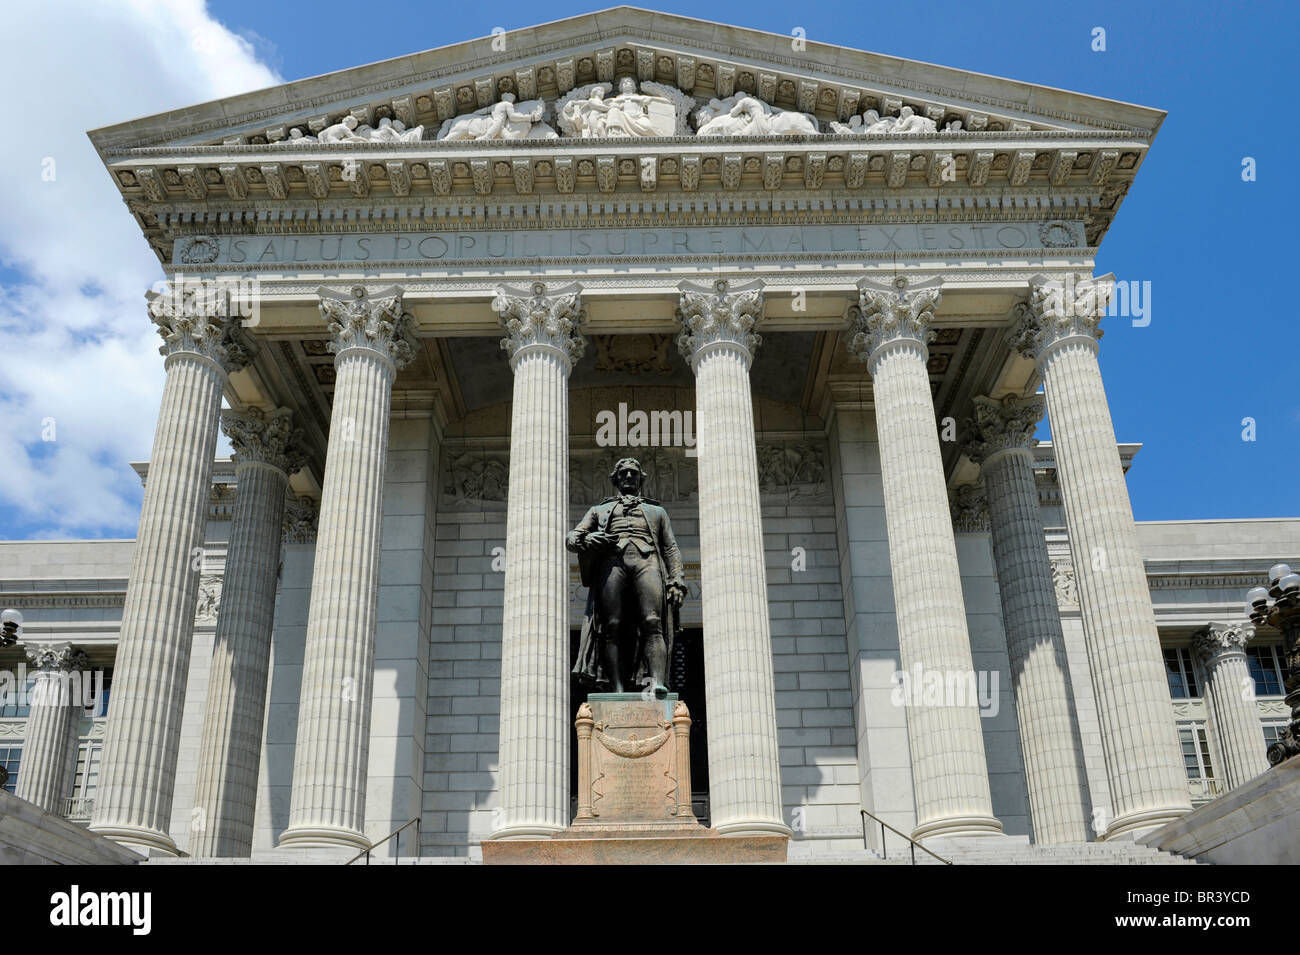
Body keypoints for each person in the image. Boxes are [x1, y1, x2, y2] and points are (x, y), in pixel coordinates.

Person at [568, 457, 686, 696]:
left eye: (633, 473)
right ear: (616, 479)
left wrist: (677, 581)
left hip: (647, 562)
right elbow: (572, 538)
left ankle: (657, 683)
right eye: (624, 474)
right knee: (613, 626)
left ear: (640, 478)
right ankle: (618, 690)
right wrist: (587, 538)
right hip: (613, 565)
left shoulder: (657, 511)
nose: (629, 477)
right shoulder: (599, 510)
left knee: (653, 622)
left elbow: (670, 548)